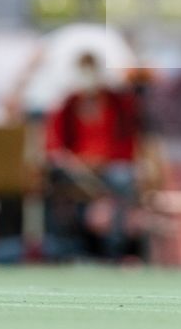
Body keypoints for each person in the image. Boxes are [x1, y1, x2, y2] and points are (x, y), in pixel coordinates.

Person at [42, 51, 147, 260]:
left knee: (123, 178)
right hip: (76, 168)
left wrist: (102, 161)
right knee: (51, 181)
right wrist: (73, 160)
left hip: (111, 166)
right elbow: (55, 144)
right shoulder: (68, 103)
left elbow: (128, 142)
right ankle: (63, 248)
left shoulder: (118, 103)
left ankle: (116, 248)